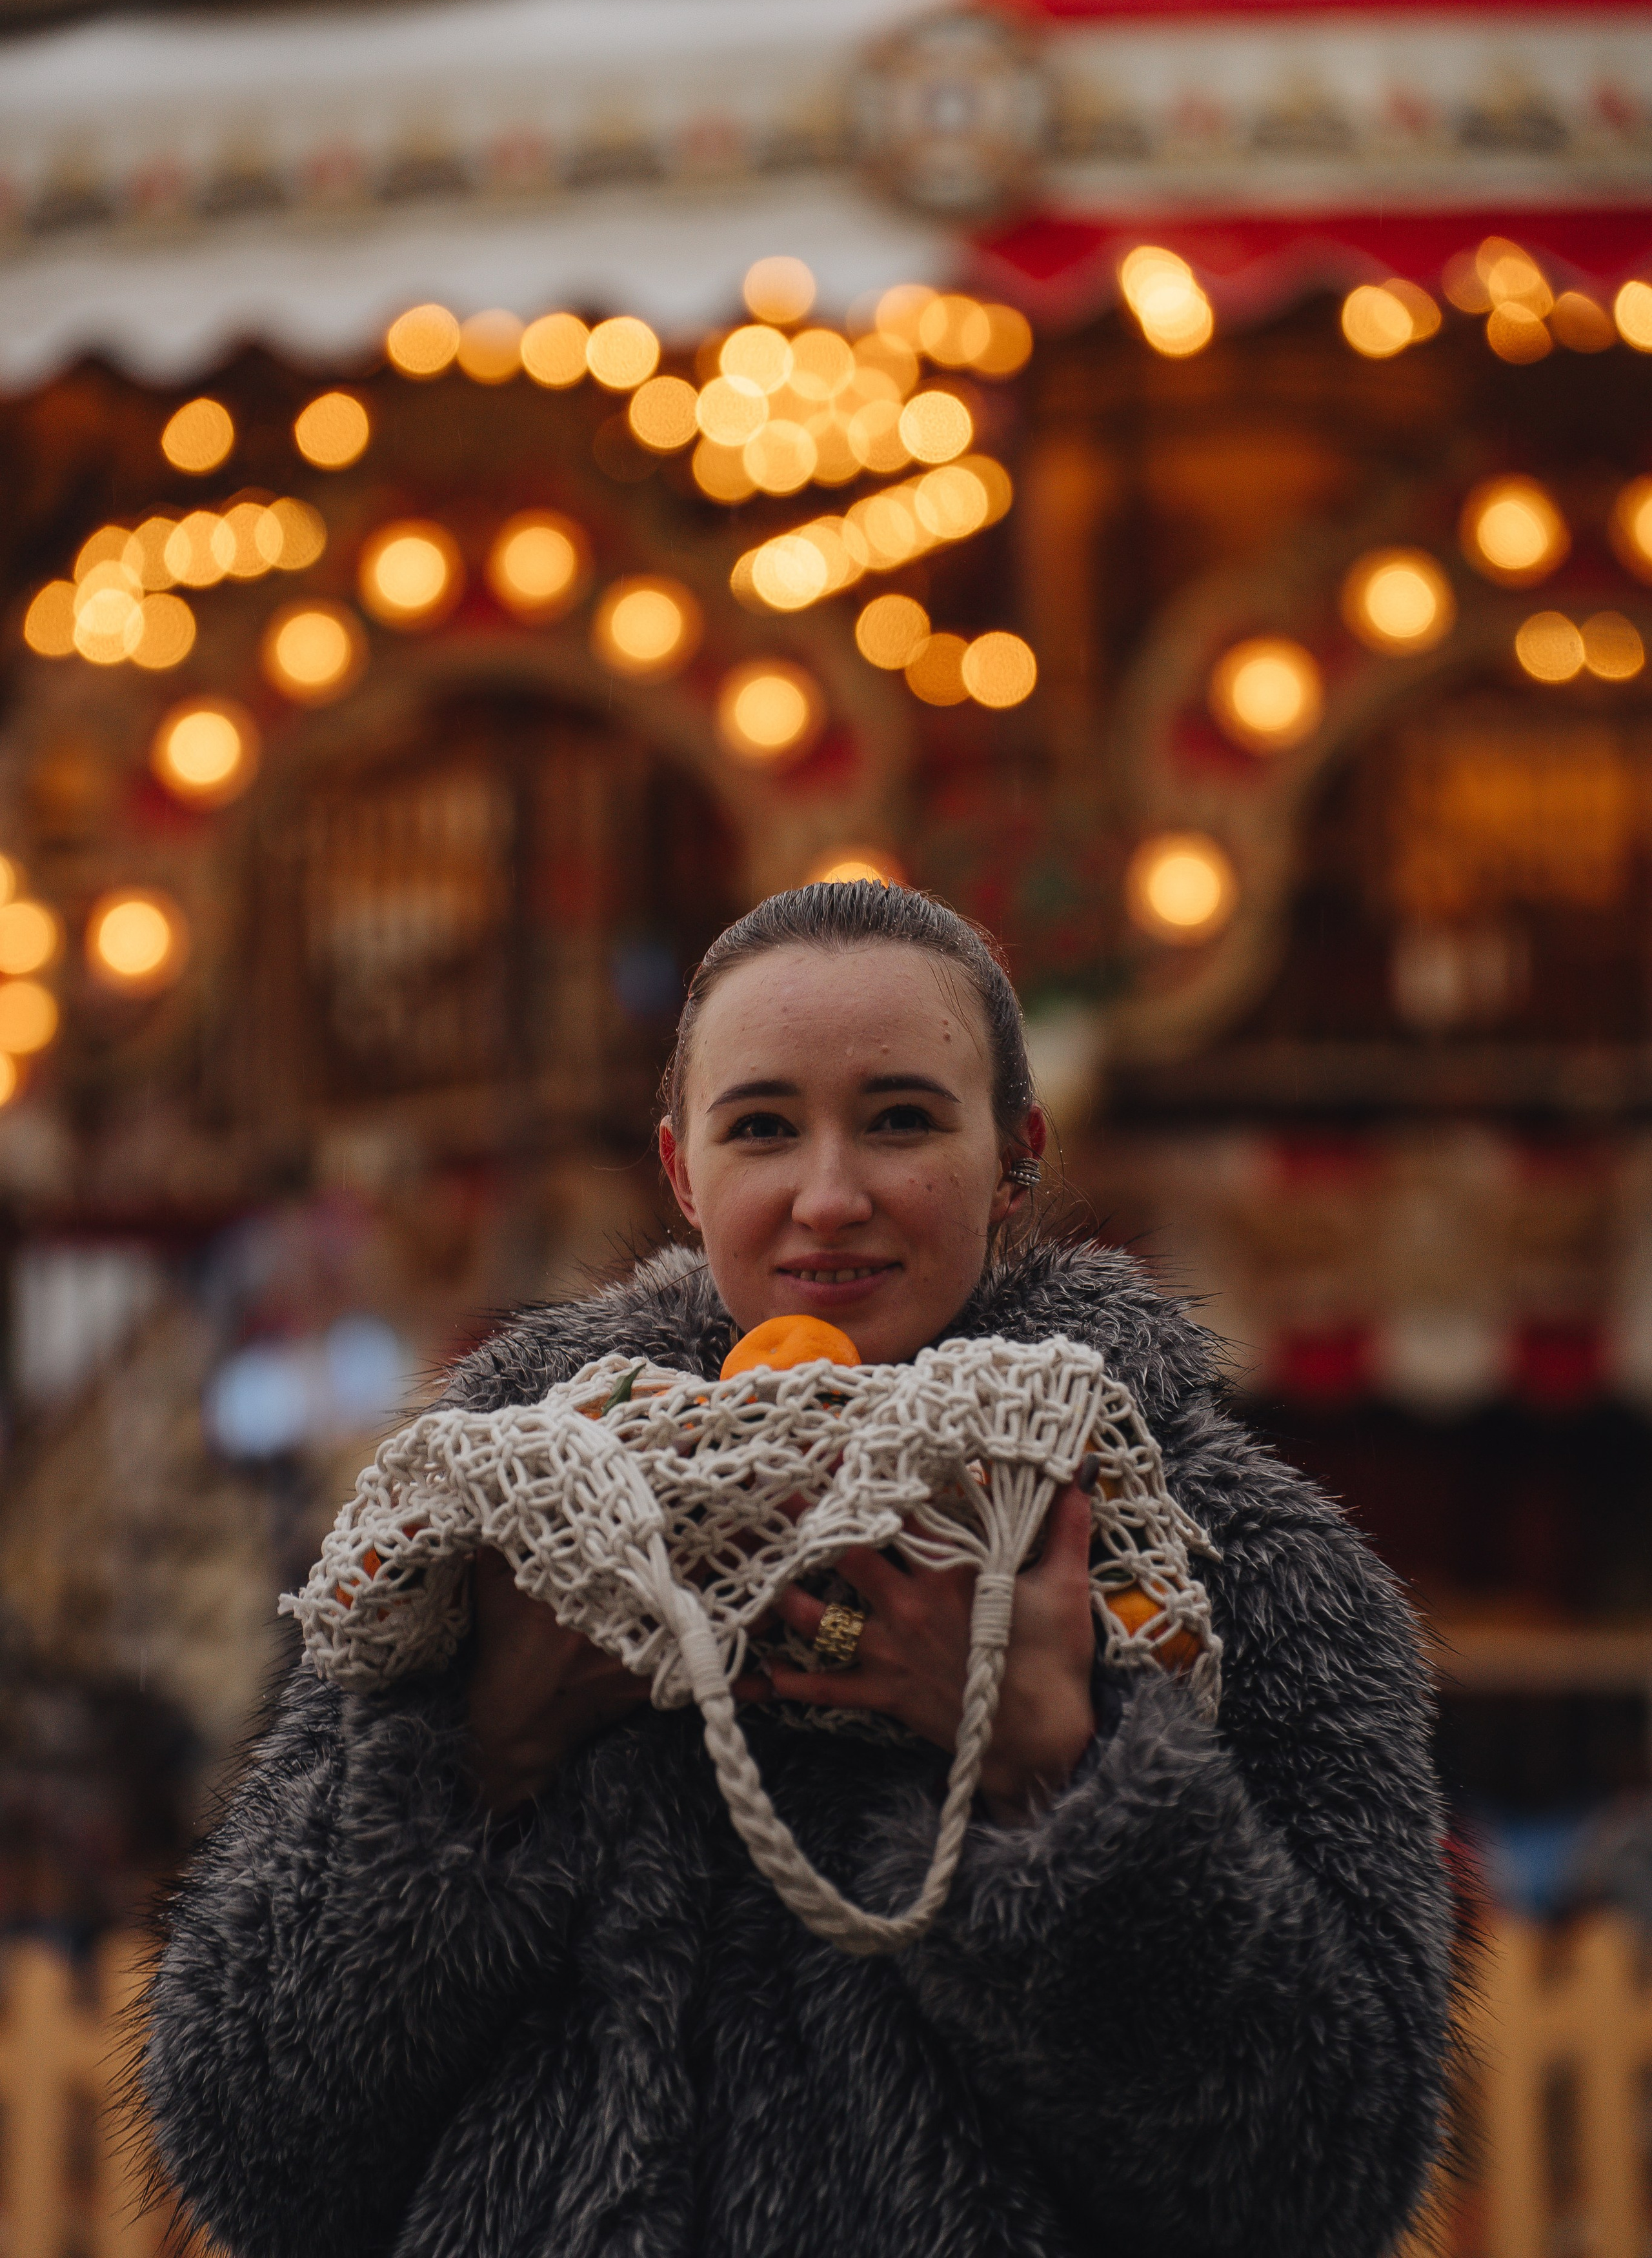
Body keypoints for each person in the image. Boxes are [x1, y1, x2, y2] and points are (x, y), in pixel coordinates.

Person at [145, 882, 1451, 2258]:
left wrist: (1060, 1794)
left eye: (901, 1120)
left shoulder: (1226, 1559)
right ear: (680, 1169)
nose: (829, 1199)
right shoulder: (482, 1541)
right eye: (761, 1127)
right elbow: (251, 2155)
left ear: (1015, 1154)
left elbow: (1316, 2189)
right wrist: (479, 1771)